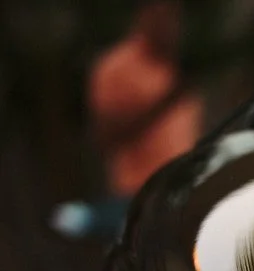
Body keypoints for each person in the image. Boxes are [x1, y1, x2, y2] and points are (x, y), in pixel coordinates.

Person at [53, 0, 203, 240]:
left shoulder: (174, 72)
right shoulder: (116, 66)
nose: (172, 25)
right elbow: (105, 135)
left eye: (176, 17)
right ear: (142, 15)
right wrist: (161, 104)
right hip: (132, 198)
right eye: (163, 14)